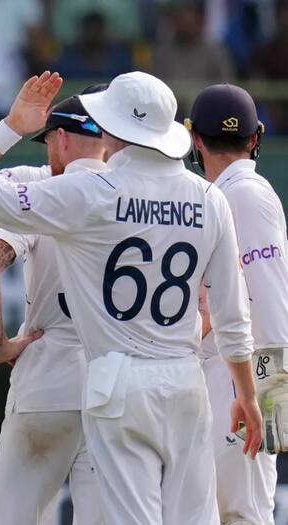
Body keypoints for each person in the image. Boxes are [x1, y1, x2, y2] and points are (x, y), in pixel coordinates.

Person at [0, 58, 263, 524]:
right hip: (186, 379)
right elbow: (232, 315)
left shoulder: (91, 192)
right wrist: (248, 395)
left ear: (113, 127)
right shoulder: (208, 197)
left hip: (117, 382)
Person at [0, 92, 106, 525]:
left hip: (47, 381)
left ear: (60, 139)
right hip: (115, 387)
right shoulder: (137, 195)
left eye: (47, 140)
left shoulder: (38, 192)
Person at [188, 84, 287, 525]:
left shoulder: (245, 194)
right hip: (226, 380)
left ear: (195, 138)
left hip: (239, 381)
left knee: (242, 514)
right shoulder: (230, 193)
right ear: (255, 137)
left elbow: (269, 301)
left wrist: (271, 401)